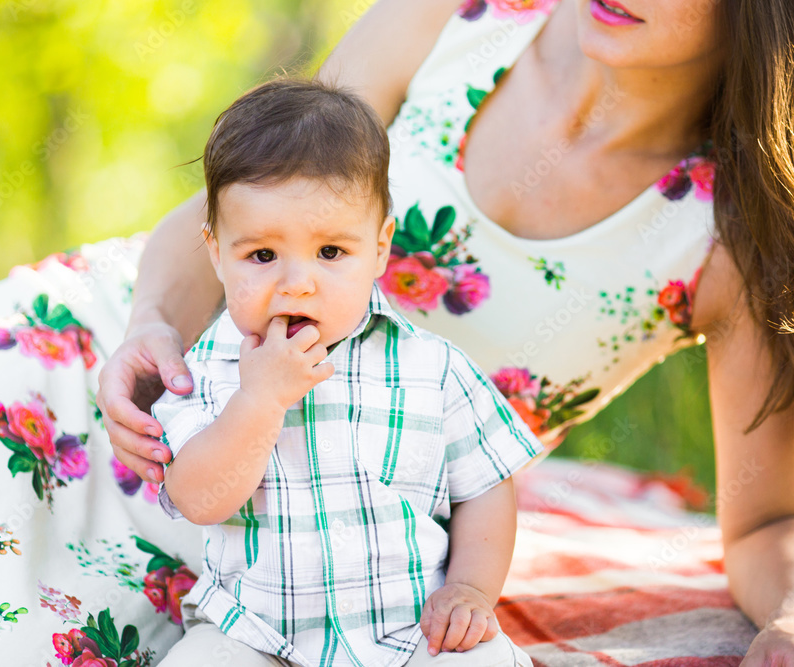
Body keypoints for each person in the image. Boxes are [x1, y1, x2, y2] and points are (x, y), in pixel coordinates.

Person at [97, 0, 794, 664]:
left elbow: (766, 525)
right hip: (158, 406)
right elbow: (247, 198)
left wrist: (788, 619)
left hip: (375, 578)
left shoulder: (725, 238)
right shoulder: (459, 16)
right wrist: (149, 322)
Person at [150, 78, 539, 667]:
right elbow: (199, 499)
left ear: (380, 248)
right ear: (217, 253)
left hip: (411, 633)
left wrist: (471, 590)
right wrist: (258, 401)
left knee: (484, 661)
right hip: (254, 634)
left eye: (331, 253)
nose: (297, 282)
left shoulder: (432, 367)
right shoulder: (204, 369)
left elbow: (485, 485)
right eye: (262, 255)